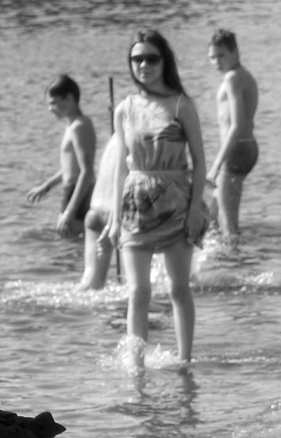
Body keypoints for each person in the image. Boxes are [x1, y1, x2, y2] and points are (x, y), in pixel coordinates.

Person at [104, 29, 209, 364]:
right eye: (137, 59)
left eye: (151, 58)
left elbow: (200, 161)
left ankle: (185, 362)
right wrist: (113, 217)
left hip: (176, 200)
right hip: (135, 204)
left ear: (165, 61)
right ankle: (136, 368)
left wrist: (195, 209)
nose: (144, 65)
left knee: (178, 288)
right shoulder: (125, 109)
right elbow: (120, 167)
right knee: (138, 292)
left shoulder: (181, 104)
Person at [26, 75, 96, 243]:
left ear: (70, 99)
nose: (50, 109)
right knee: (68, 244)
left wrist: (70, 211)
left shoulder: (79, 126)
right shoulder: (73, 126)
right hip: (72, 191)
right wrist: (46, 186)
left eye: (53, 103)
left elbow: (86, 171)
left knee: (70, 244)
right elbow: (70, 168)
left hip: (78, 193)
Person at [206, 29, 259, 240]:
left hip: (236, 151)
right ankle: (218, 255)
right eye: (212, 57)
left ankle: (236, 256)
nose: (216, 62)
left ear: (235, 52)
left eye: (221, 55)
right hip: (247, 147)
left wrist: (215, 166)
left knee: (229, 226)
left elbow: (237, 125)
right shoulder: (245, 76)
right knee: (212, 216)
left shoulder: (232, 78)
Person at [80, 131, 121, 290]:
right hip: (114, 212)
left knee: (90, 281)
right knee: (137, 281)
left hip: (94, 210)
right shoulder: (136, 137)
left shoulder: (113, 141)